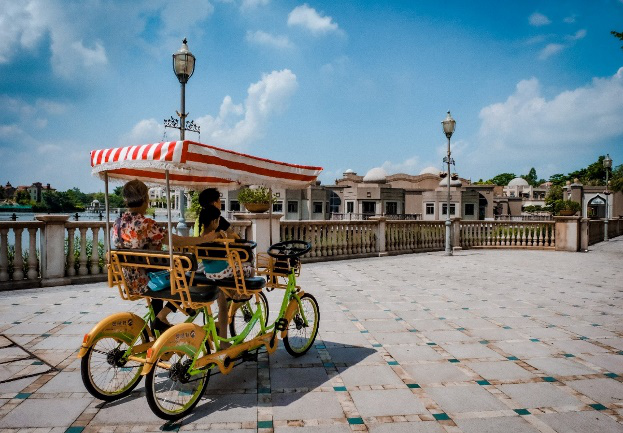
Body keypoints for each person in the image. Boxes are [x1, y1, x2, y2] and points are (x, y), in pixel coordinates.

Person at [112, 179, 218, 333]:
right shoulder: (147, 224)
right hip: (147, 281)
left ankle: (159, 328)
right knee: (188, 278)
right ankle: (162, 317)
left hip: (128, 279)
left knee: (163, 273)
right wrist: (204, 239)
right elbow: (177, 241)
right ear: (145, 199)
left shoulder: (117, 223)